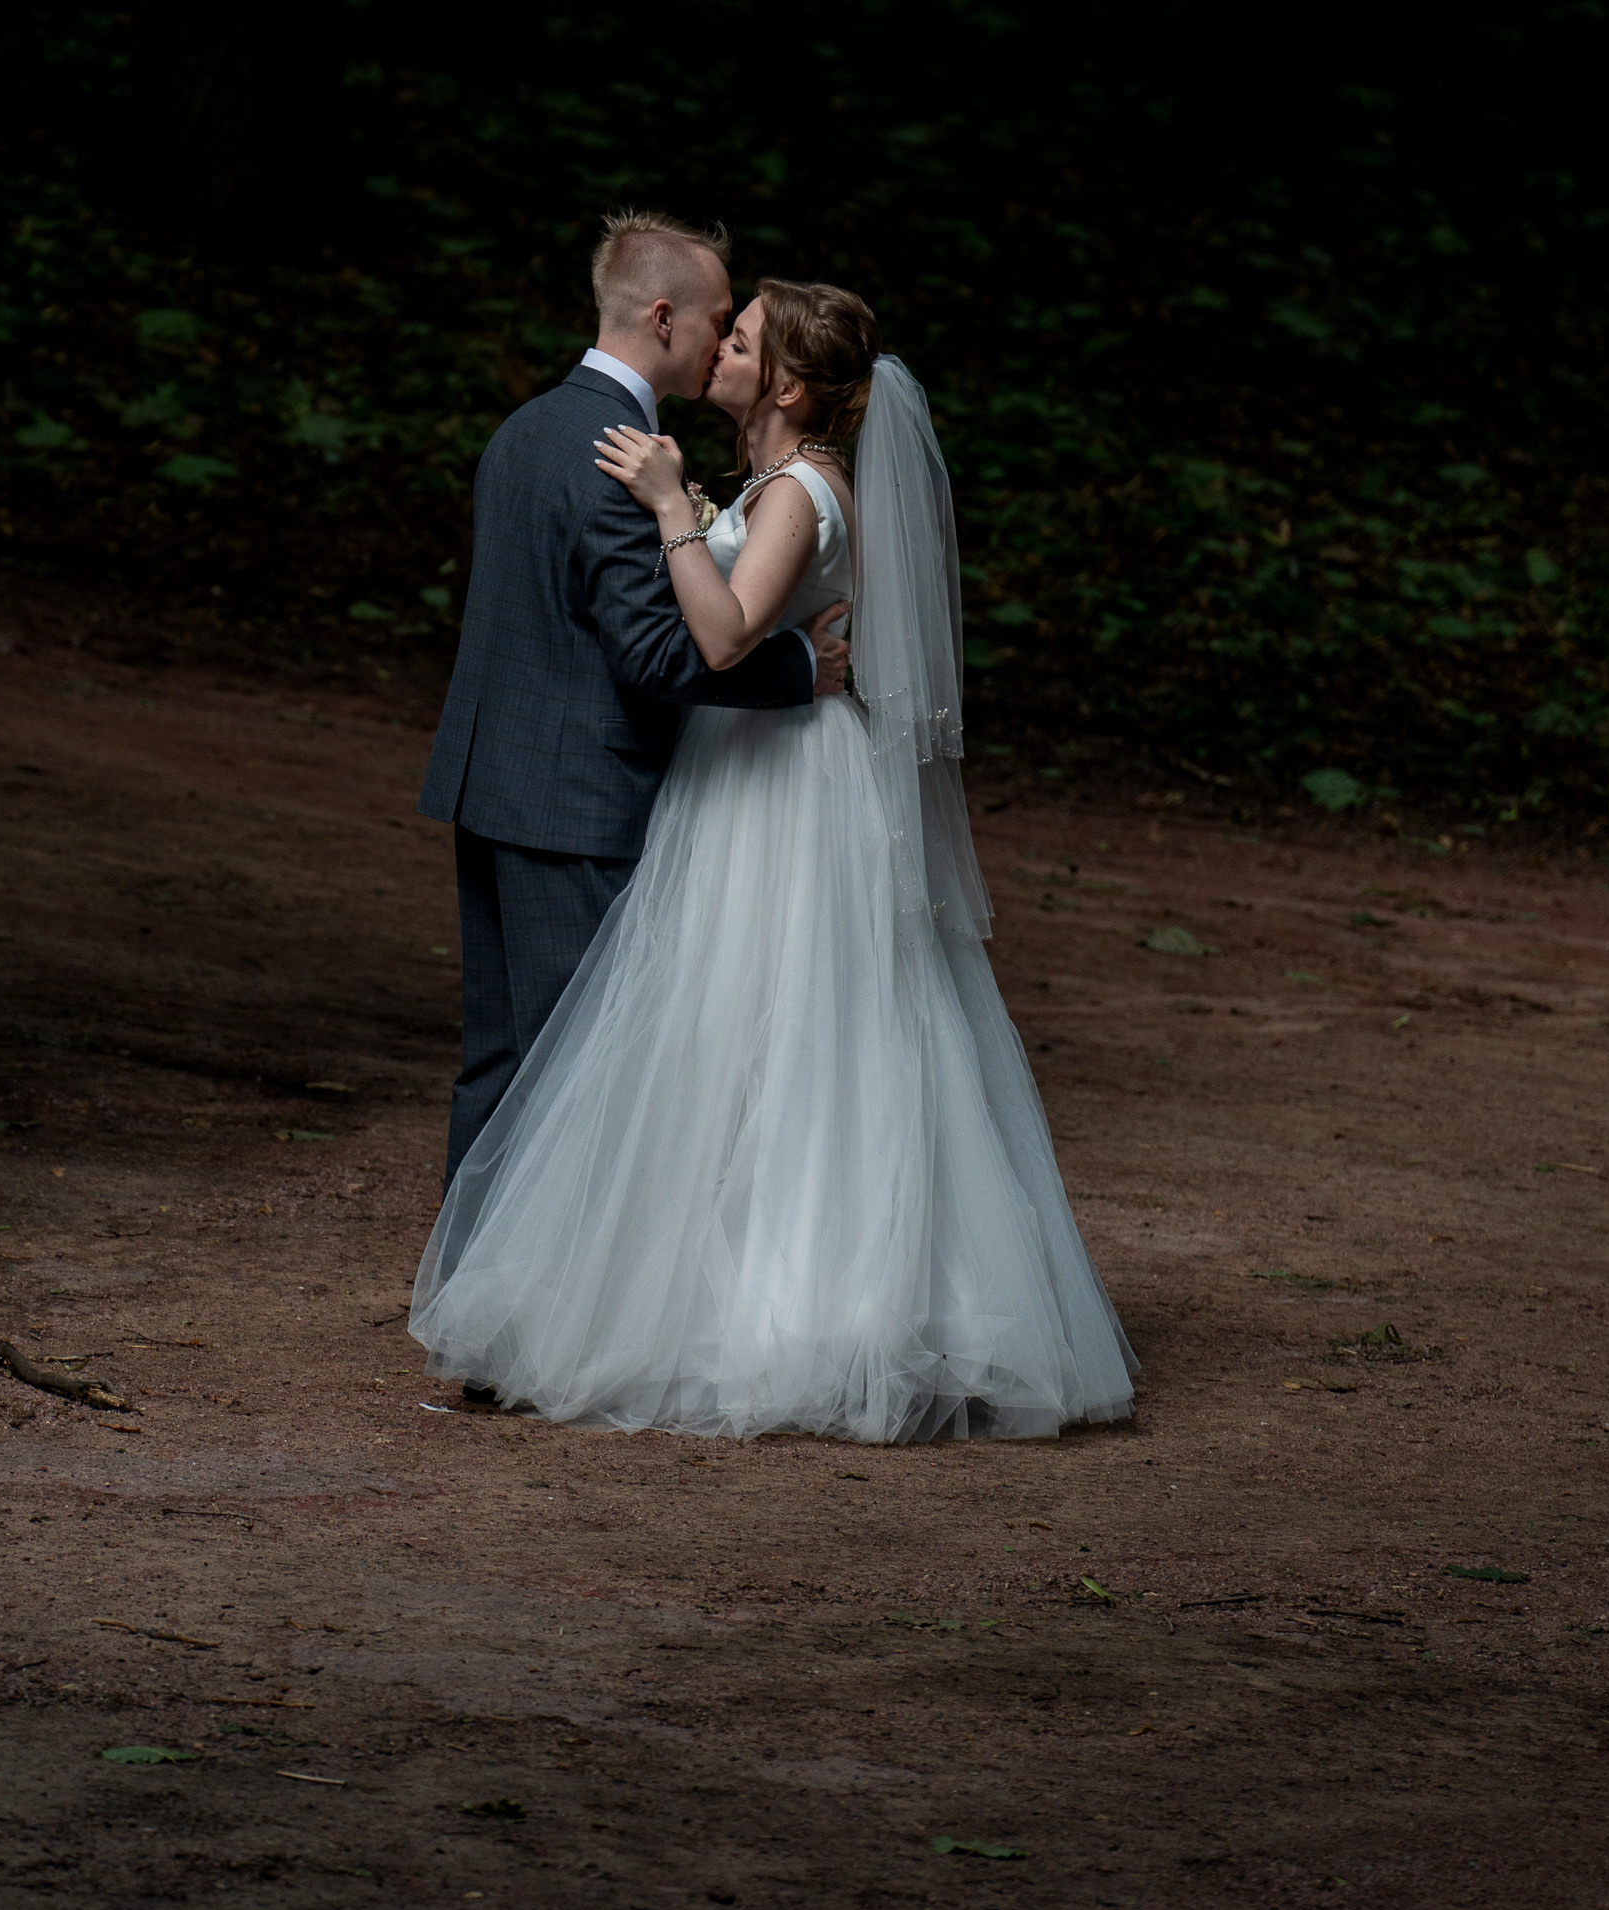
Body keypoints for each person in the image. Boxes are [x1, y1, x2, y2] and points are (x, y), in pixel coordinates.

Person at [410, 276, 1137, 1444]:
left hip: (787, 788)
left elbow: (722, 631)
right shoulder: (767, 483)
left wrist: (669, 510)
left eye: (740, 340)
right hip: (739, 772)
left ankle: (817, 1308)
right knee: (719, 1038)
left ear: (788, 385)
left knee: (798, 1033)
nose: (719, 349)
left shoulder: (799, 487)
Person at [419, 209, 851, 1196]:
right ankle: (543, 1326)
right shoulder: (623, 455)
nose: (717, 342)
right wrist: (798, 669)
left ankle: (464, 1303)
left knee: (495, 1060)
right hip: (576, 799)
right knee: (578, 1069)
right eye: (715, 321)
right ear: (662, 318)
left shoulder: (528, 426)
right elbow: (657, 652)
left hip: (490, 782)